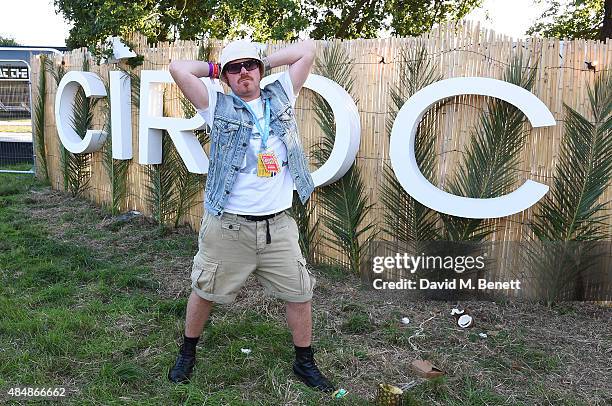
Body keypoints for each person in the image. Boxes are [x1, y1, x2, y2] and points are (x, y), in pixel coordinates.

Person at [166, 39, 334, 393]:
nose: (244, 72)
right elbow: (179, 69)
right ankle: (187, 351)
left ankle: (304, 362)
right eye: (235, 68)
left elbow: (306, 50)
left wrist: (262, 61)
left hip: (278, 225)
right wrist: (217, 70)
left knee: (300, 293)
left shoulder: (281, 95)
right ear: (225, 77)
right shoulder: (218, 105)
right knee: (204, 289)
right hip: (228, 224)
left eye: (249, 66)